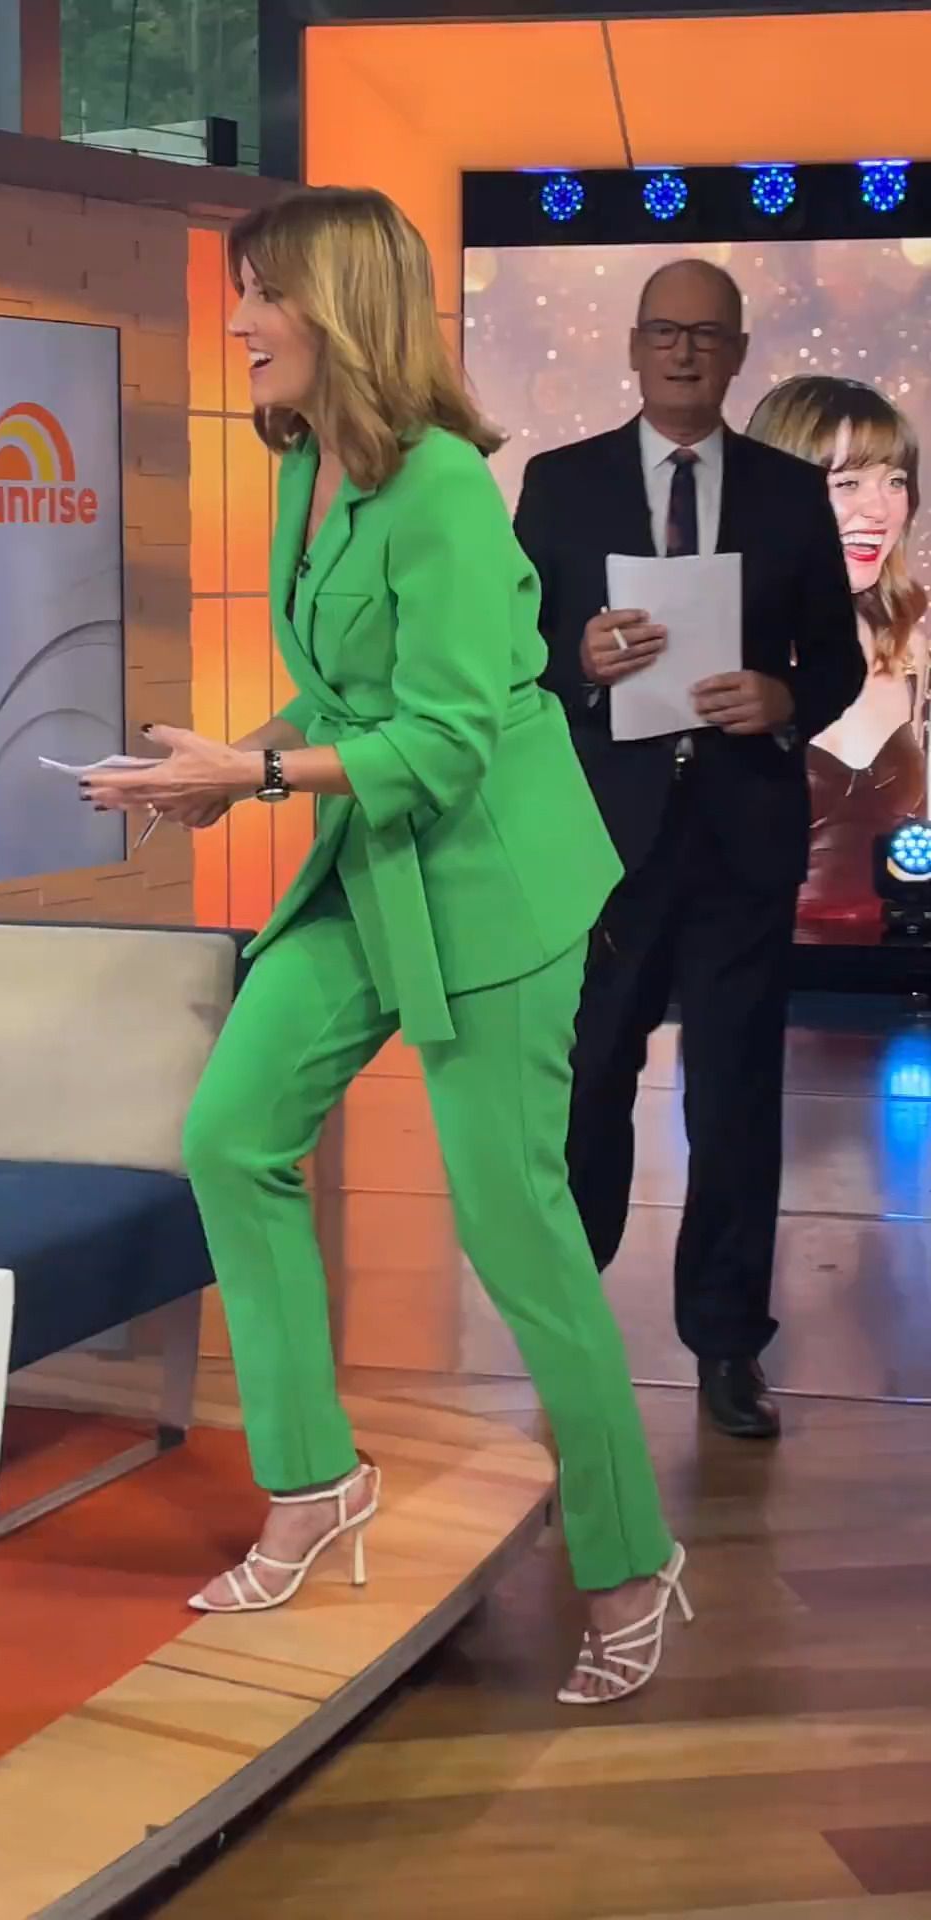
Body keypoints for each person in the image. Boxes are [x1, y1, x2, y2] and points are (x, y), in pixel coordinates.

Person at [83, 187, 690, 1705]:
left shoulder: (444, 491)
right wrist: (222, 767)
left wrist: (257, 777)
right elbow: (354, 695)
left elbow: (451, 739)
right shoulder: (304, 466)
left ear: (338, 307)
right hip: (370, 864)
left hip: (491, 881)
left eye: (260, 294)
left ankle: (631, 1557)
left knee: (516, 1230)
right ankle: (315, 1483)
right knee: (232, 1137)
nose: (236, 321)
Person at [514, 260, 865, 1442]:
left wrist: (786, 697)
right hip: (603, 846)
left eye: (706, 336)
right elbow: (514, 656)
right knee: (588, 1088)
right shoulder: (561, 485)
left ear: (738, 354)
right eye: (664, 333)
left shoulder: (788, 492)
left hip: (739, 841)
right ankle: (570, 1334)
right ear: (633, 345)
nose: (682, 353)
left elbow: (838, 658)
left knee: (734, 1101)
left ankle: (727, 1345)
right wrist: (577, 664)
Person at [746, 375, 928, 933]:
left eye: (895, 481)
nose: (880, 508)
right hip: (755, 969)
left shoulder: (910, 648)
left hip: (889, 972)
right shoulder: (713, 647)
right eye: (847, 482)